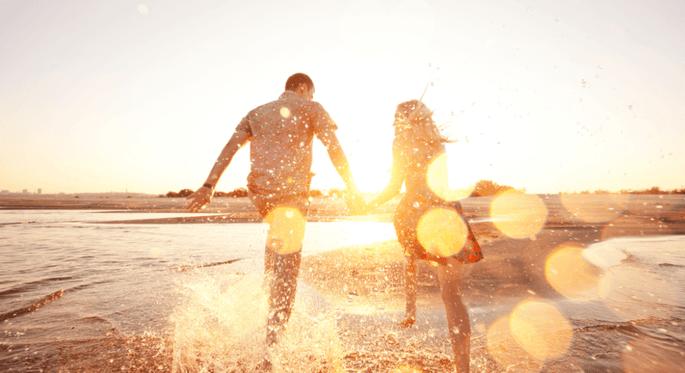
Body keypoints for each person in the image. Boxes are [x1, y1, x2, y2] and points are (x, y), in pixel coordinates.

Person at [185, 73, 363, 361]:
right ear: (303, 88)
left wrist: (209, 186)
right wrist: (353, 188)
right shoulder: (312, 108)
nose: (312, 99)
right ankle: (271, 353)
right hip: (290, 196)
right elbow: (333, 147)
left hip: (261, 195)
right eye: (311, 93)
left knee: (275, 257)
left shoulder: (256, 112)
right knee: (287, 275)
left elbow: (230, 149)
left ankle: (266, 322)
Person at [360, 99, 483, 373]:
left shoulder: (400, 142)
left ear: (402, 120)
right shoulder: (436, 141)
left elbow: (394, 186)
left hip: (415, 214)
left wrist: (367, 205)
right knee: (452, 296)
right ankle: (463, 368)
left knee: (410, 254)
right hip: (446, 214)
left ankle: (410, 310)